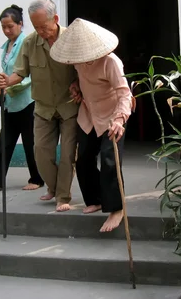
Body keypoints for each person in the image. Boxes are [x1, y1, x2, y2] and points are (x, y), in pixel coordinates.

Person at [49, 18, 133, 232]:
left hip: (112, 117)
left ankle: (116, 209)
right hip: (88, 115)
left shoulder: (110, 62)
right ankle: (95, 200)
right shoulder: (77, 61)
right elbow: (83, 79)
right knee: (84, 159)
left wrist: (120, 119)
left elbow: (124, 93)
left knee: (110, 160)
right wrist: (76, 87)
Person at [0, 0, 81, 212]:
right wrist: (8, 81)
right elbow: (20, 72)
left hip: (69, 105)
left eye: (44, 26)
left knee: (68, 155)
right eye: (36, 27)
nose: (40, 31)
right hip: (43, 107)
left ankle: (63, 197)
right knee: (41, 152)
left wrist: (78, 83)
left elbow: (84, 70)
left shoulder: (71, 39)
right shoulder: (30, 43)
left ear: (55, 19)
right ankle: (52, 188)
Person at [0, 5, 43, 191]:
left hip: (27, 102)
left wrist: (9, 86)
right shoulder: (6, 47)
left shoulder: (27, 43)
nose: (7, 30)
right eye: (3, 27)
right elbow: (7, 73)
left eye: (10, 26)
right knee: (5, 142)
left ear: (20, 24)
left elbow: (30, 75)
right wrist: (0, 88)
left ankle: (37, 179)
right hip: (10, 103)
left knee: (31, 143)